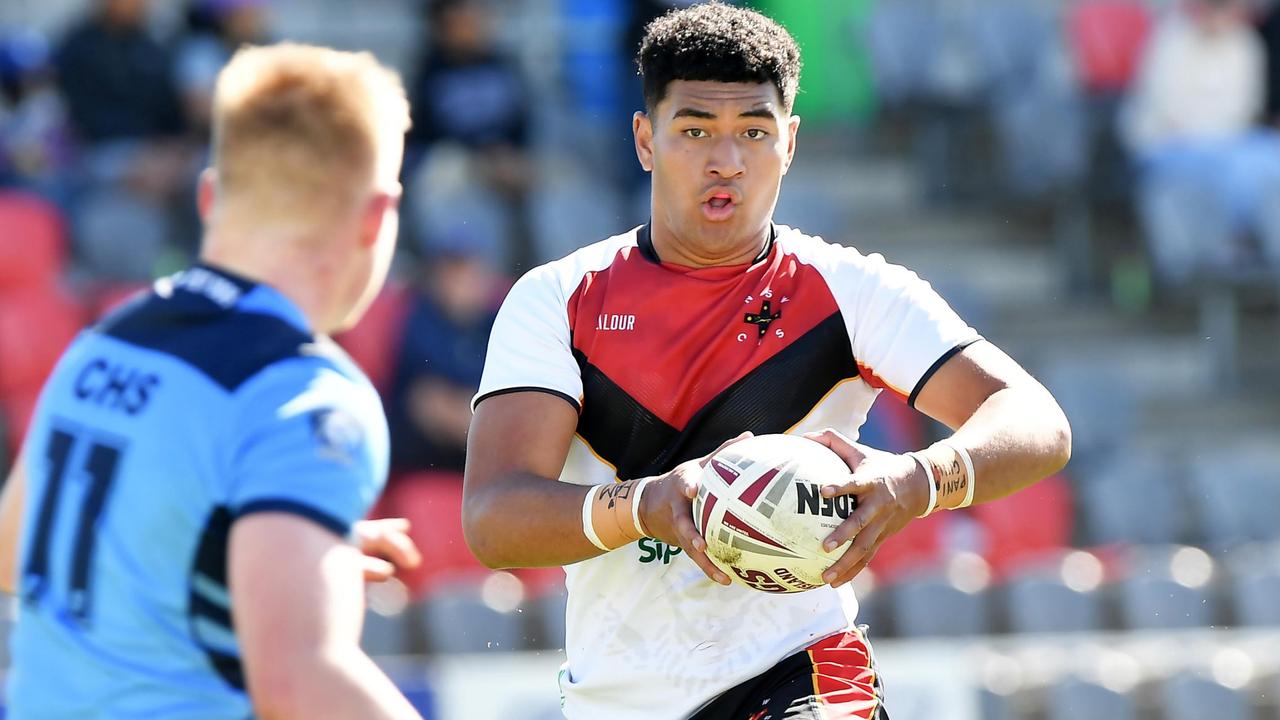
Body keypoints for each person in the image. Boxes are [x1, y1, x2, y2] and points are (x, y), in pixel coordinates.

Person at [462, 4, 1072, 719]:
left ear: (789, 142)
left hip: (806, 673)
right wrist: (645, 508)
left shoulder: (851, 290)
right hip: (618, 700)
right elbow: (493, 519)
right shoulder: (558, 299)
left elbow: (1036, 422)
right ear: (644, 140)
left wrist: (917, 479)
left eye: (753, 131)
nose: (726, 160)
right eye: (694, 131)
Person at [0, 43, 423, 719]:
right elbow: (300, 683)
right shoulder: (305, 398)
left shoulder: (106, 339)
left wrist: (256, 539)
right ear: (378, 217)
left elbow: (14, 549)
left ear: (208, 196)